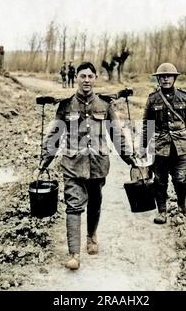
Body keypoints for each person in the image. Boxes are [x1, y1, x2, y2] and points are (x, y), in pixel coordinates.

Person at [39, 62, 137, 270]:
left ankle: (91, 236)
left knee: (95, 202)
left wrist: (130, 159)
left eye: (90, 76)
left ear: (95, 79)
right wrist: (44, 162)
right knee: (73, 206)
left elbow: (116, 134)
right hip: (72, 165)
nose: (86, 80)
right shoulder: (66, 105)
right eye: (82, 76)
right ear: (76, 78)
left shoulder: (104, 104)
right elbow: (54, 136)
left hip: (98, 165)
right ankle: (74, 254)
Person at [140, 62, 186, 224]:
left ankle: (182, 205)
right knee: (160, 181)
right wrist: (143, 147)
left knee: (180, 179)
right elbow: (147, 124)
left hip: (182, 146)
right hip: (160, 147)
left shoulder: (184, 97)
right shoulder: (153, 99)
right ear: (158, 80)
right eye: (162, 77)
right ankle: (162, 211)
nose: (166, 79)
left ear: (174, 78)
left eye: (169, 76)